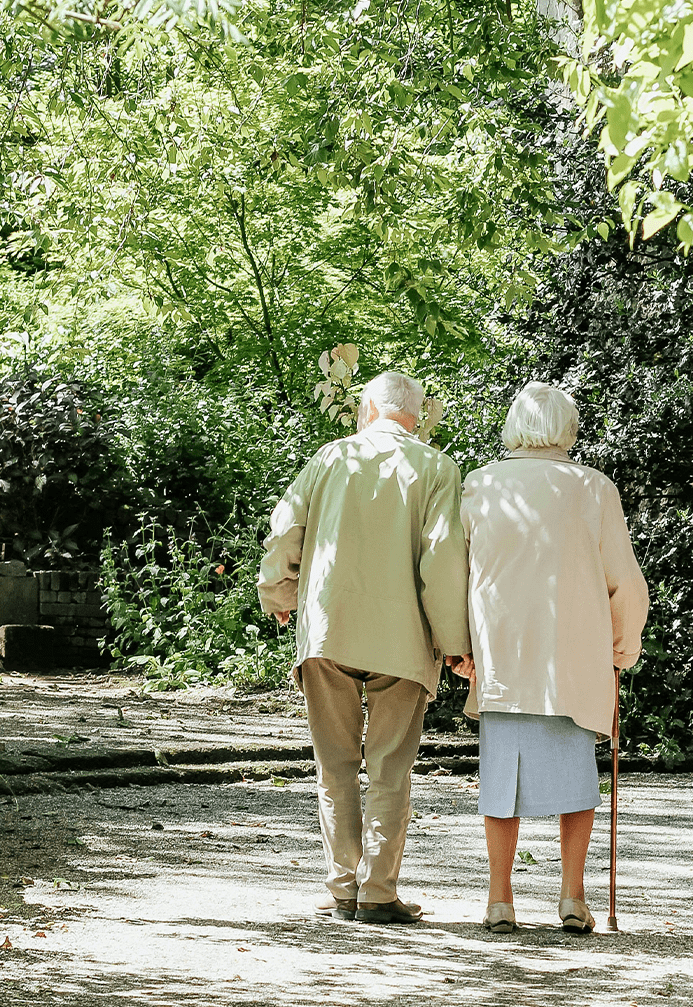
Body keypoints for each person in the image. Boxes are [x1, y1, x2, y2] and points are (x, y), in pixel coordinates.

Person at [257, 371, 472, 925]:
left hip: (330, 629)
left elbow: (286, 531)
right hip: (403, 638)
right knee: (389, 768)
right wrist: (454, 643)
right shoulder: (437, 468)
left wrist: (278, 591)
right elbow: (443, 560)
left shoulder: (329, 458)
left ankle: (342, 887)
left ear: (367, 408)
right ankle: (378, 891)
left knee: (334, 766)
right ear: (417, 416)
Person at [460, 381, 649, 934]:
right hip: (574, 655)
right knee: (576, 780)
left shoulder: (481, 485)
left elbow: (458, 574)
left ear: (515, 427)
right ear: (567, 429)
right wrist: (624, 643)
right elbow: (624, 580)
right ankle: (572, 896)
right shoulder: (592, 488)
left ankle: (500, 899)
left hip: (503, 654)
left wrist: (459, 646)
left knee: (500, 780)